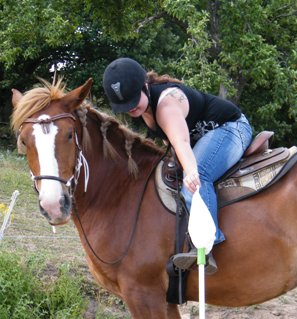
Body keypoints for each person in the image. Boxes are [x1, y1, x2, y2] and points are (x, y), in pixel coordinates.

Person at [102, 57, 253, 274]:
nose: (132, 107)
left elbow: (181, 141)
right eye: (125, 105)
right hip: (204, 139)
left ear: (145, 86)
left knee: (197, 178)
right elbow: (170, 141)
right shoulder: (145, 112)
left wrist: (192, 171)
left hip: (231, 129)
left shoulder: (165, 104)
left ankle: (208, 244)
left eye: (135, 98)